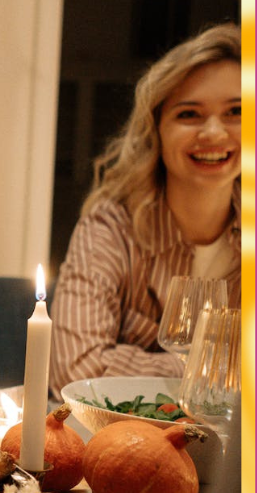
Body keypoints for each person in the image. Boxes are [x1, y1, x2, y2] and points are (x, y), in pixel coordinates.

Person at [50, 23, 242, 395]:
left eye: (236, 111)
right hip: (119, 432)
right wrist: (214, 364)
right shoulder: (109, 228)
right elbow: (76, 371)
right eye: (189, 114)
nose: (214, 133)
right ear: (156, 130)